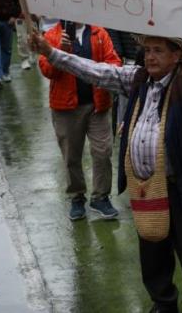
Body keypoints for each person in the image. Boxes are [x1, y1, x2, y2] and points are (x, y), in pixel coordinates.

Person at [30, 26, 182, 313]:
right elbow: (95, 71)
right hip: (145, 187)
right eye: (147, 50)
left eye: (158, 51)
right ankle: (163, 303)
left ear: (177, 56)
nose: (150, 57)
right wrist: (51, 53)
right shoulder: (137, 79)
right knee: (152, 250)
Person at [38, 20, 122, 220]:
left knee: (103, 151)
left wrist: (102, 72)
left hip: (98, 104)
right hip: (66, 108)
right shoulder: (51, 36)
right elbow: (47, 71)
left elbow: (114, 62)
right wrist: (59, 51)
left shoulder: (99, 33)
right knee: (71, 156)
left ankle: (100, 197)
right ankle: (77, 196)